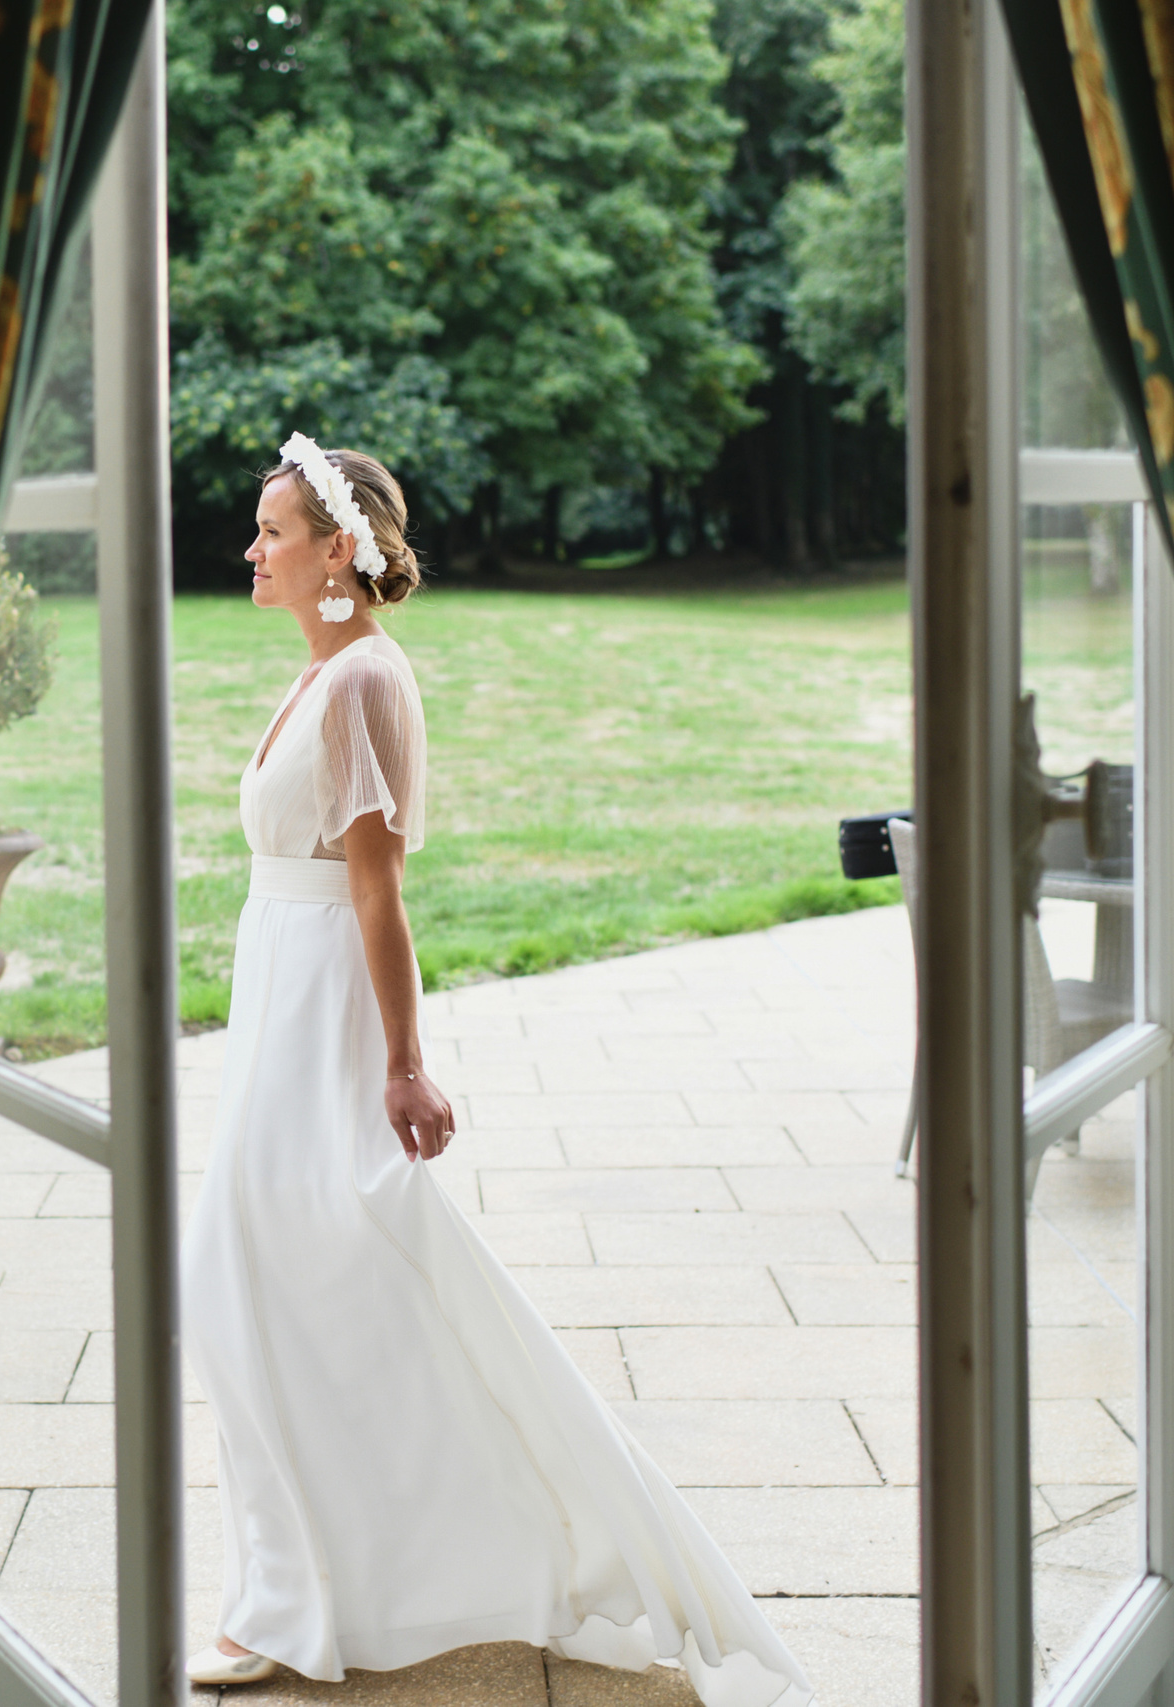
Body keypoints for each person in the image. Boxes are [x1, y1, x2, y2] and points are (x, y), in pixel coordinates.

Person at [179, 436, 815, 1707]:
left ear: (336, 553)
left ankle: (319, 1593)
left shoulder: (363, 681)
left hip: (325, 1014)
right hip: (278, 999)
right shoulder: (323, 671)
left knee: (277, 1276)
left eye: (272, 532)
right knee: (262, 1280)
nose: (250, 548)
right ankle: (311, 1585)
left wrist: (404, 1066)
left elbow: (378, 894)